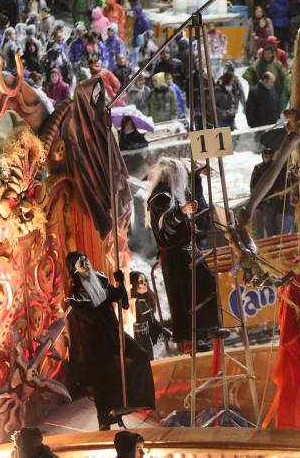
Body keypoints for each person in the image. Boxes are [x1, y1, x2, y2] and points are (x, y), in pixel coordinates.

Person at [64, 252, 155, 430]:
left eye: (86, 259)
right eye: (80, 262)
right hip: (96, 341)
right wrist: (106, 294)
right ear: (74, 268)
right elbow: (92, 314)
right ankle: (105, 419)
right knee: (105, 379)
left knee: (141, 357)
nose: (85, 263)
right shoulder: (75, 293)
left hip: (114, 333)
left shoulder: (100, 279)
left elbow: (122, 301)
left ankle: (135, 400)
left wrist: (121, 283)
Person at [146, 158, 221, 348]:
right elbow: (165, 227)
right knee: (186, 296)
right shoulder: (159, 197)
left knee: (205, 284)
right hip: (175, 254)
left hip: (186, 248)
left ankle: (207, 329)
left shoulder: (170, 192)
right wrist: (181, 212)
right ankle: (193, 338)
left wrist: (196, 175)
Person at [249, 146, 296, 238]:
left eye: (270, 154)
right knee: (270, 231)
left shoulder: (283, 168)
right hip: (267, 205)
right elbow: (253, 186)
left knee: (282, 233)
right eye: (265, 154)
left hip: (282, 205)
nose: (267, 156)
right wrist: (257, 203)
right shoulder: (259, 168)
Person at [130, 271, 170, 361]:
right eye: (141, 282)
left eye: (145, 281)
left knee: (149, 359)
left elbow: (151, 320)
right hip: (135, 339)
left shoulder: (147, 300)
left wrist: (161, 330)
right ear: (133, 284)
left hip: (145, 337)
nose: (145, 283)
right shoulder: (132, 304)